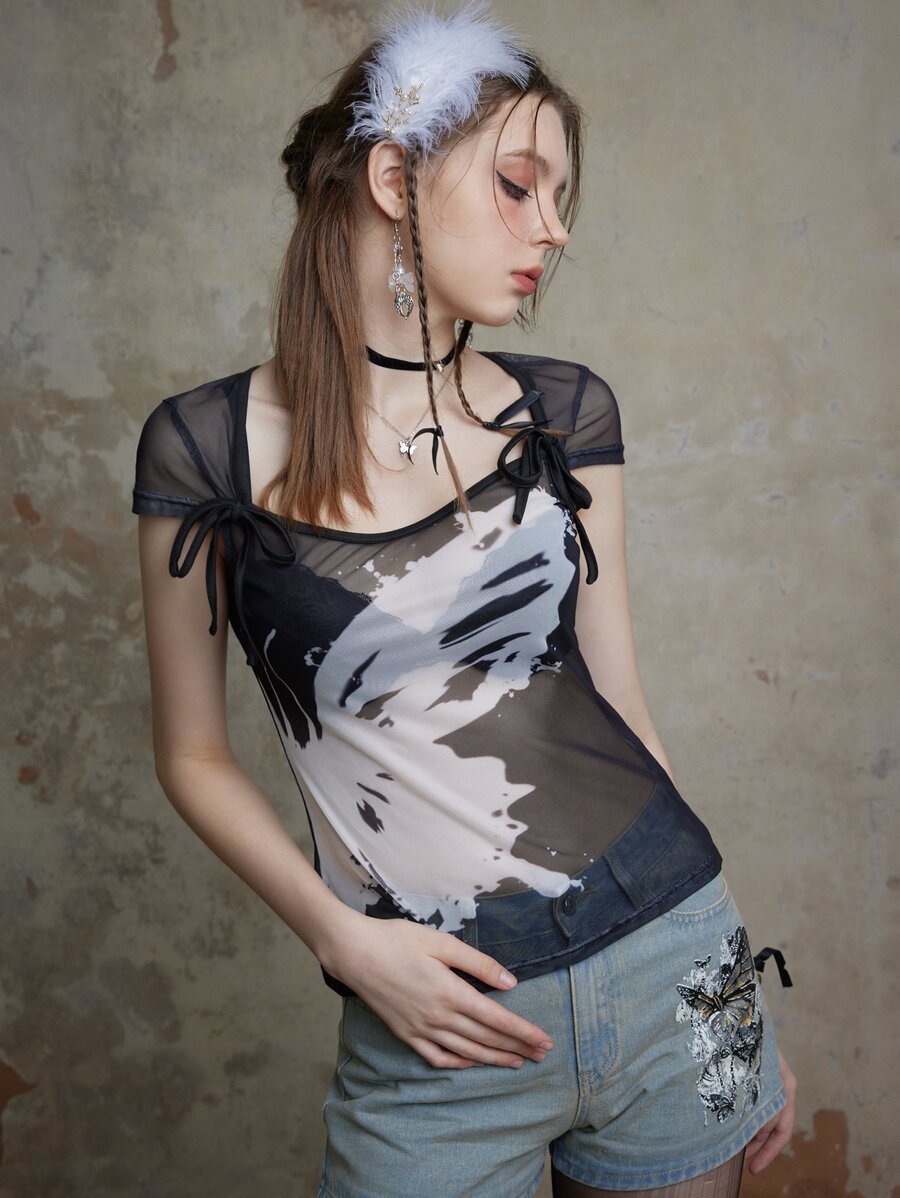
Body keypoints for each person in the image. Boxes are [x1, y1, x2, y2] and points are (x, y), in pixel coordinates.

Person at [132, 4, 797, 1195]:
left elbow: (623, 709)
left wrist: (734, 990)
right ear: (395, 178)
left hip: (674, 960)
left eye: (562, 198)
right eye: (518, 185)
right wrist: (343, 940)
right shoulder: (207, 449)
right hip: (436, 1024)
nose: (554, 229)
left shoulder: (564, 414)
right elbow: (191, 754)